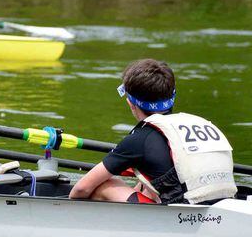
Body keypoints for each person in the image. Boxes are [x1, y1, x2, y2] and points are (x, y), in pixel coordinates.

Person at [69, 59, 236, 205]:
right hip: (227, 203)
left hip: (185, 215)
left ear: (130, 103)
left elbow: (81, 189)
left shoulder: (141, 138)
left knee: (104, 184)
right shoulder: (197, 122)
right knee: (146, 183)